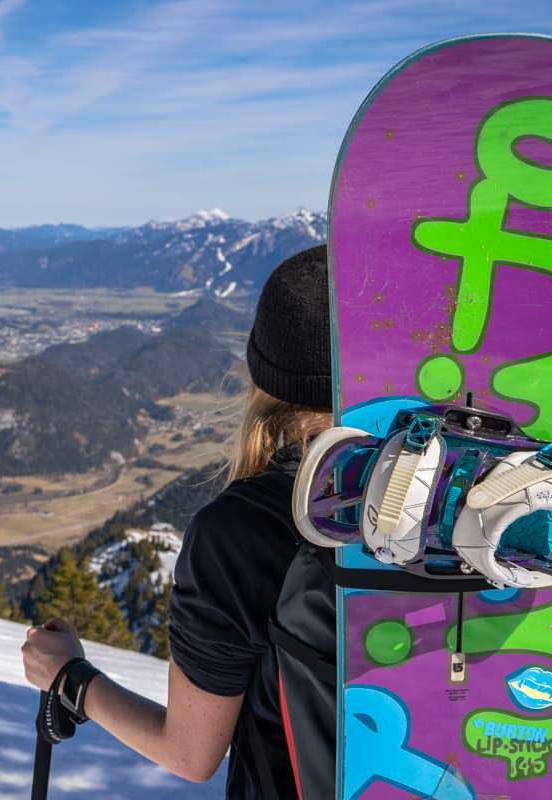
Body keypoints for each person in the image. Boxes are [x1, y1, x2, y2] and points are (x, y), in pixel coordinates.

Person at [21, 244, 333, 798]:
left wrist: (67, 676)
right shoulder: (485, 504)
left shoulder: (244, 530)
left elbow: (190, 753)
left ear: (265, 377)